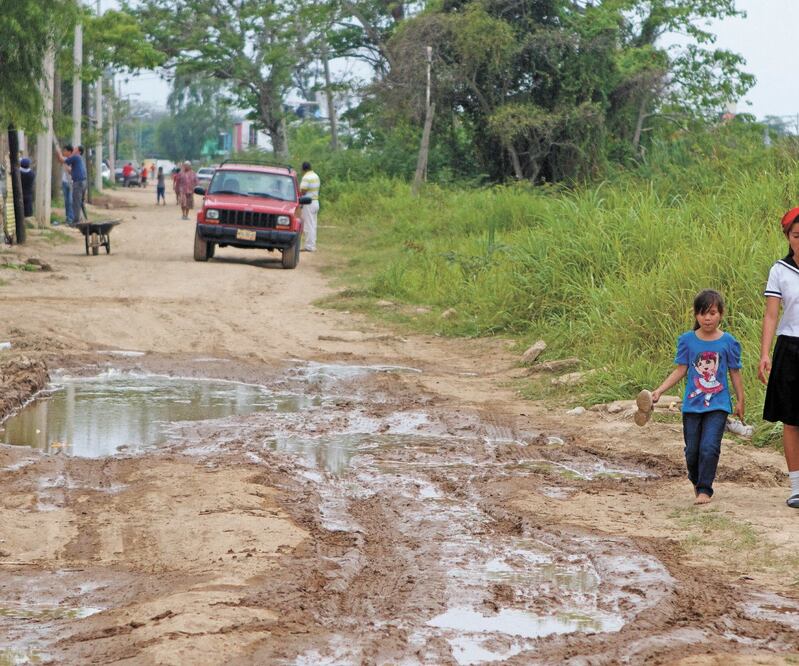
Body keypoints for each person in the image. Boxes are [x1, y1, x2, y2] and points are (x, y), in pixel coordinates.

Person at [641, 289, 744, 505]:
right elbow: (681, 370)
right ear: (696, 315)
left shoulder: (728, 342)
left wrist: (740, 400)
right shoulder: (687, 340)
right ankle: (697, 480)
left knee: (710, 447)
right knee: (692, 451)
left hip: (718, 404)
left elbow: (735, 372)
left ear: (721, 314)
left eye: (712, 313)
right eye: (703, 313)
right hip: (692, 406)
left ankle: (705, 489)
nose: (707, 318)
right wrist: (659, 391)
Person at [759, 208, 799, 508]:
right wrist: (764, 353)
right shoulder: (780, 271)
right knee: (792, 419)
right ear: (787, 237)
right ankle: (797, 487)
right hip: (790, 348)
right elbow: (772, 315)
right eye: (796, 235)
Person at [55, 143, 87, 225]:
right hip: (80, 182)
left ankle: (76, 221)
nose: (74, 150)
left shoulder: (75, 157)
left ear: (79, 152)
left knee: (75, 202)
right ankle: (81, 219)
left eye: (75, 149)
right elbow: (70, 170)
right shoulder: (77, 159)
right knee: (78, 202)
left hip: (77, 183)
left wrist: (59, 152)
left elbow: (63, 160)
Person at [299, 161, 320, 251]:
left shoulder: (306, 177)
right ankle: (312, 244)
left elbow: (303, 191)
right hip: (315, 202)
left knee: (308, 225)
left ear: (303, 168)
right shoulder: (316, 175)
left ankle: (309, 246)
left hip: (308, 203)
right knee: (313, 224)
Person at [61, 150, 73, 225]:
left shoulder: (74, 160)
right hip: (65, 182)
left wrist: (67, 167)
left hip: (72, 182)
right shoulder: (65, 159)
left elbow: (70, 171)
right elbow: (60, 157)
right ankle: (68, 218)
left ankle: (71, 219)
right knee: (66, 202)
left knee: (70, 201)